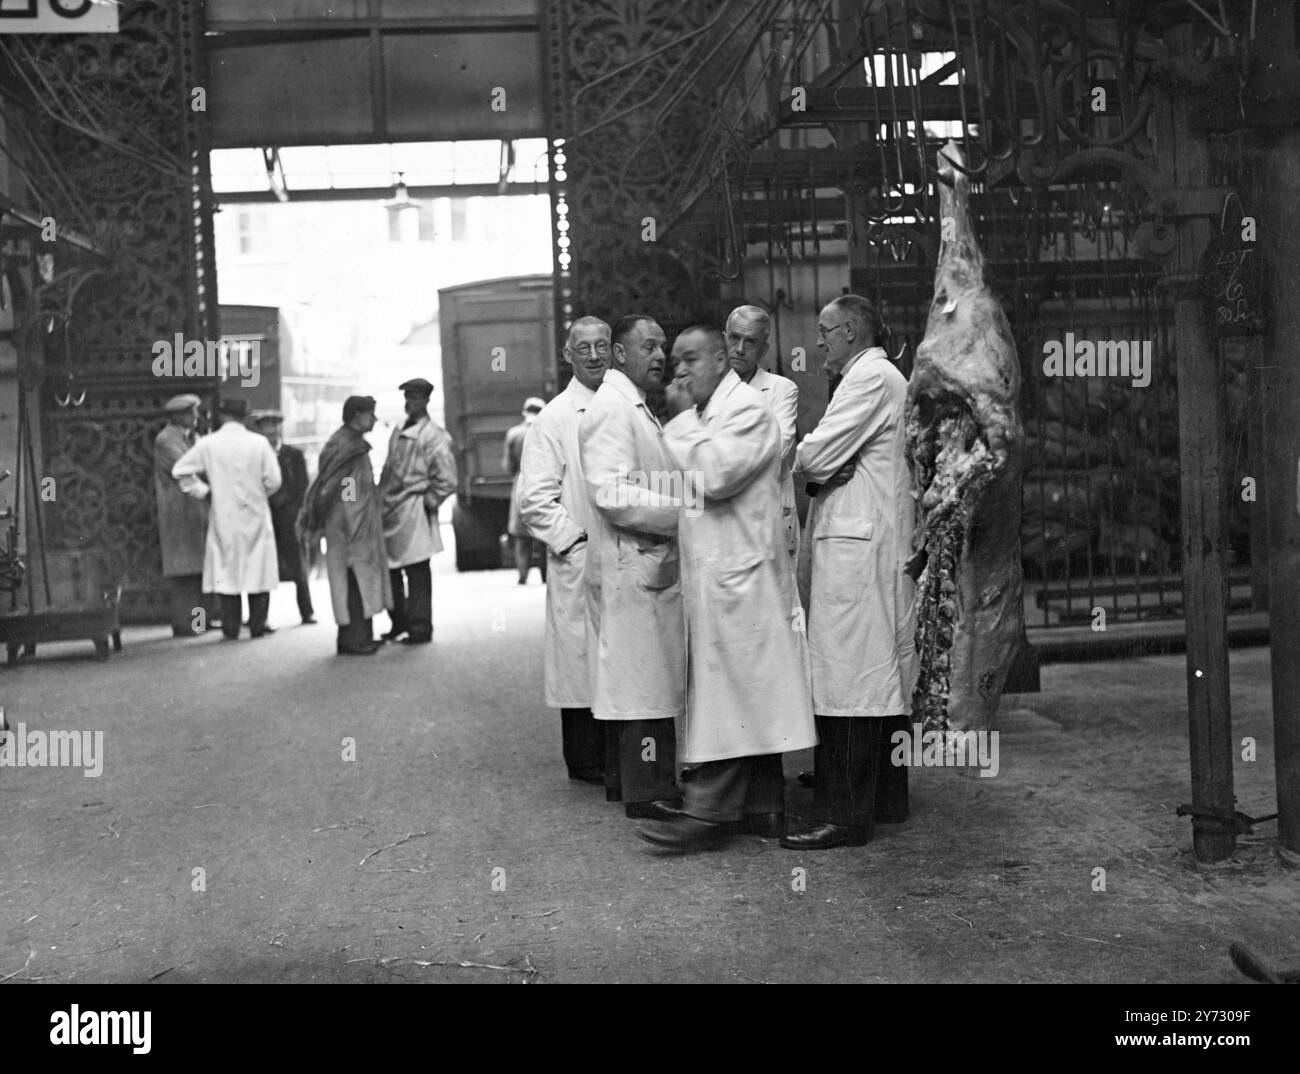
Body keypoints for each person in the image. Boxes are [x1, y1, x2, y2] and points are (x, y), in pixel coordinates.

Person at [634, 327, 818, 853]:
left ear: (722, 359)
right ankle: (764, 809)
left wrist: (679, 421)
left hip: (745, 582)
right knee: (747, 694)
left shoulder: (748, 413)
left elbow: (713, 477)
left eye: (691, 359)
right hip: (726, 579)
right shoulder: (712, 413)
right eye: (676, 362)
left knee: (731, 696)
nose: (681, 370)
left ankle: (706, 813)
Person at [782, 295, 917, 850]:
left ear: (853, 332)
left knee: (852, 682)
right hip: (870, 544)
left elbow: (810, 458)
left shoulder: (869, 379)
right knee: (875, 675)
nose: (818, 344)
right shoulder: (883, 378)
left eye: (826, 331)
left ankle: (844, 814)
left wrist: (818, 463)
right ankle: (884, 799)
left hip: (861, 552)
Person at [579, 314, 685, 820]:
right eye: (649, 346)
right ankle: (649, 791)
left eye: (663, 345)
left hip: (640, 561)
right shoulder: (613, 409)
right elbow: (610, 491)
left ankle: (632, 782)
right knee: (641, 681)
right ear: (620, 354)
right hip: (633, 562)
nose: (661, 355)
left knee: (640, 678)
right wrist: (682, 511)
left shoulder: (633, 405)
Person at [518, 316, 611, 784]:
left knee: (615, 658)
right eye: (584, 348)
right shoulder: (554, 417)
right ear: (567, 354)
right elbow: (533, 499)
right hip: (581, 555)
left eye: (602, 346)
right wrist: (574, 540)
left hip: (621, 556)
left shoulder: (625, 406)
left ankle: (619, 758)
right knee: (579, 661)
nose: (594, 355)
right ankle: (586, 760)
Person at [172, 396, 282, 640]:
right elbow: (274, 480)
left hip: (224, 516)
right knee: (258, 571)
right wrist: (260, 494)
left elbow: (180, 470)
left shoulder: (209, 444)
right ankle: (256, 626)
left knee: (226, 573)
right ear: (245, 417)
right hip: (255, 515)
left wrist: (203, 491)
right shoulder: (260, 443)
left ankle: (230, 628)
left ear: (221, 416)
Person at [301, 396, 392, 656]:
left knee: (357, 578)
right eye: (369, 414)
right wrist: (354, 514)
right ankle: (354, 639)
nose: (374, 419)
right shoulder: (345, 446)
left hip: (352, 524)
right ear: (356, 416)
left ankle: (359, 635)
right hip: (349, 526)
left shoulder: (350, 443)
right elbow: (342, 486)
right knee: (354, 579)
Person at [379, 378, 457, 645]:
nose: (409, 402)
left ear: (425, 401)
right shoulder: (400, 428)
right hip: (392, 507)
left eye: (414, 397)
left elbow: (447, 478)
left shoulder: (433, 435)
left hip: (414, 507)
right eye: (407, 397)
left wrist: (429, 502)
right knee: (391, 569)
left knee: (416, 569)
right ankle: (399, 622)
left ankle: (420, 627)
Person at [724, 305, 801, 569]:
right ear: (724, 338)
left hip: (770, 515)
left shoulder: (782, 390)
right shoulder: (704, 391)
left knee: (780, 602)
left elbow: (776, 450)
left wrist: (719, 459)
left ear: (764, 350)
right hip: (724, 521)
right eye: (734, 338)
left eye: (751, 341)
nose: (740, 349)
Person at [153, 394, 216, 636]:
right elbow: (187, 469)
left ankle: (201, 621)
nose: (196, 417)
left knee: (198, 568)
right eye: (192, 413)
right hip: (179, 513)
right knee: (185, 572)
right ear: (178, 416)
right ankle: (185, 624)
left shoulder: (193, 438)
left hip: (196, 512)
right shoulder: (165, 440)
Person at [251, 409, 315, 626]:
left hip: (288, 518)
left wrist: (292, 508)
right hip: (264, 516)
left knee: (298, 565)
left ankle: (307, 611)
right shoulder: (255, 456)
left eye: (275, 426)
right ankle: (260, 617)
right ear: (259, 430)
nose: (272, 431)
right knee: (263, 566)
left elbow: (303, 485)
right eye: (267, 427)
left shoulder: (293, 455)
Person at [505, 397, 547, 585]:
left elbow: (508, 466)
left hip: (522, 482)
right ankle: (546, 576)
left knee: (522, 535)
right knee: (545, 532)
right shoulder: (547, 431)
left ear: (524, 411)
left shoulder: (514, 434)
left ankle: (522, 575)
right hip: (544, 482)